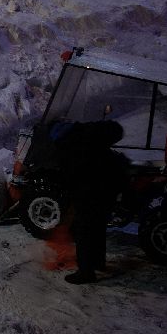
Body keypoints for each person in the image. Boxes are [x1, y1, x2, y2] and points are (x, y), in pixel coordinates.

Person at [62, 120, 130, 285]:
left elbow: (74, 174)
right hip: (104, 199)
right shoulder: (106, 154)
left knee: (84, 233)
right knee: (98, 230)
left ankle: (86, 272)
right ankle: (98, 262)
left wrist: (71, 194)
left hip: (88, 199)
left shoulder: (86, 151)